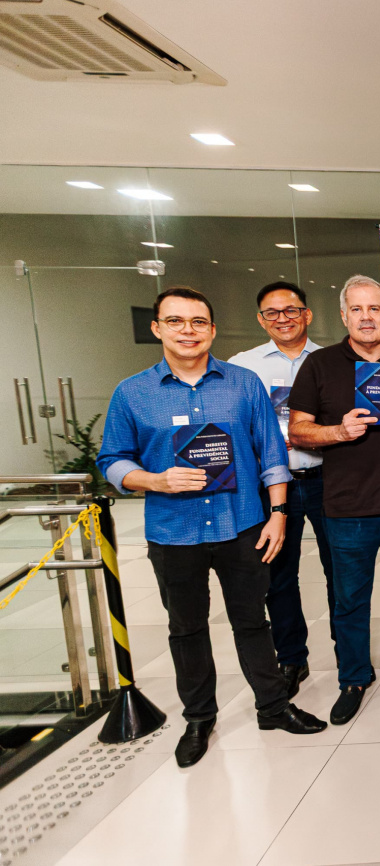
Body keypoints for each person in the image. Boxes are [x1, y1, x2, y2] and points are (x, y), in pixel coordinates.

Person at [97, 286, 327, 768]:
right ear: (157, 328)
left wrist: (279, 514)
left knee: (253, 621)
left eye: (198, 321)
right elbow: (112, 460)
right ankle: (199, 718)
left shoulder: (244, 384)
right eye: (175, 321)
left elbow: (271, 453)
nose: (188, 331)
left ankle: (273, 706)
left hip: (242, 523)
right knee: (187, 628)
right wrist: (154, 480)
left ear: (212, 329)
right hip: (173, 531)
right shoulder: (132, 393)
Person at [287, 275, 380, 725]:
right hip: (348, 507)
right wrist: (339, 431)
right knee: (350, 601)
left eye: (375, 308)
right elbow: (298, 430)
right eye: (357, 309)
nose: (367, 317)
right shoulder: (319, 364)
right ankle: (353, 679)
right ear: (344, 316)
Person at [228, 281, 333, 699]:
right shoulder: (242, 366)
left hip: (327, 479)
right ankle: (291, 658)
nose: (283, 319)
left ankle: (348, 653)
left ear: (307, 314)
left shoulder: (331, 361)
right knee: (277, 576)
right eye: (272, 312)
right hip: (272, 486)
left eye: (291, 310)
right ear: (261, 319)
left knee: (340, 571)